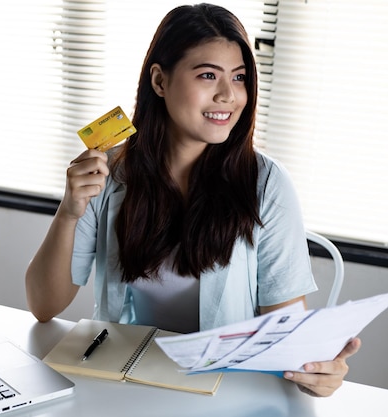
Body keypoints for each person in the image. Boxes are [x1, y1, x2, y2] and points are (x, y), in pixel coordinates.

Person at [25, 3, 359, 397]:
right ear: (160, 81)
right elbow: (44, 307)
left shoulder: (267, 183)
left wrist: (318, 372)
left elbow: (283, 330)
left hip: (225, 389)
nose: (228, 95)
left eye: (239, 78)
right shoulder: (111, 172)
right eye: (207, 75)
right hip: (122, 380)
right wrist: (69, 212)